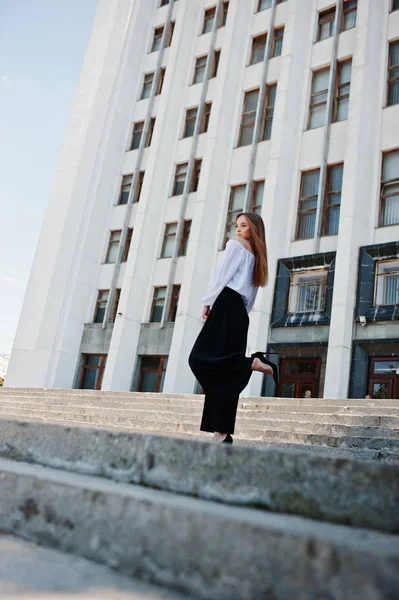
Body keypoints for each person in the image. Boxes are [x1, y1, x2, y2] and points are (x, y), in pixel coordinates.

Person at [188, 212, 278, 445]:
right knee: (226, 375)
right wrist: (240, 315)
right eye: (237, 226)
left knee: (198, 358)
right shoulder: (258, 257)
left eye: (244, 225)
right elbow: (252, 294)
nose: (238, 230)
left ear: (254, 229)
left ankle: (250, 363)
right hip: (239, 311)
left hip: (227, 304)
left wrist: (209, 301)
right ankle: (222, 433)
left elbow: (222, 276)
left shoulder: (236, 246)